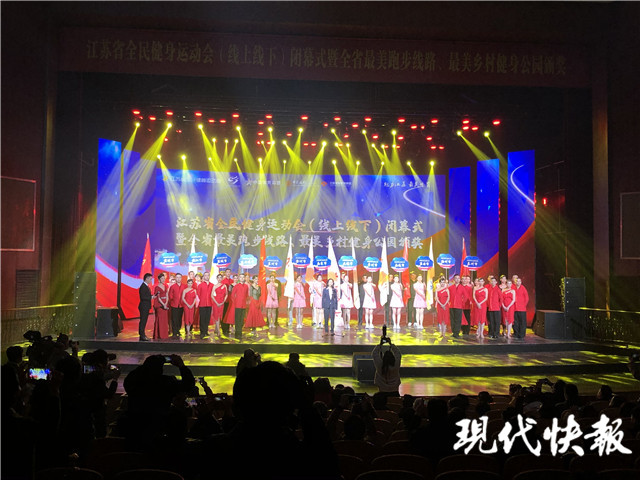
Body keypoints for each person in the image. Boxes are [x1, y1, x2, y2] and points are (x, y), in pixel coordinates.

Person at [372, 329, 402, 396]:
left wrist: (380, 344)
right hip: (394, 393)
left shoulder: (380, 365)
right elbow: (398, 354)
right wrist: (391, 344)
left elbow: (374, 353)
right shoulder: (395, 365)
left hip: (382, 393)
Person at [232, 273, 249, 340]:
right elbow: (232, 296)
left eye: (243, 277)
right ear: (239, 278)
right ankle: (237, 333)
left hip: (243, 305)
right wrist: (236, 302)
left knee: (242, 320)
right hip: (237, 305)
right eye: (241, 277)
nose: (242, 278)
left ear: (244, 278)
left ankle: (240, 332)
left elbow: (246, 295)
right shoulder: (236, 286)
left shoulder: (246, 286)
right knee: (237, 320)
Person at [153, 273, 169, 340]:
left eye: (164, 278)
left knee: (165, 320)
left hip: (165, 303)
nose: (163, 280)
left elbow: (167, 295)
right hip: (160, 305)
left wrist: (166, 303)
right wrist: (163, 304)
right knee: (160, 319)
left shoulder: (165, 286)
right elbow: (158, 298)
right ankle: (159, 334)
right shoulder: (157, 287)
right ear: (159, 279)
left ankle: (164, 334)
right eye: (162, 278)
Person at [169, 273, 185, 338]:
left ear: (181, 278)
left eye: (179, 277)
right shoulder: (172, 286)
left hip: (181, 305)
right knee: (174, 319)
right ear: (175, 278)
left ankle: (178, 330)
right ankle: (174, 332)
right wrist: (173, 301)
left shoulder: (184, 286)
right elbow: (170, 296)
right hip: (174, 305)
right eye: (177, 277)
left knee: (179, 319)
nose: (178, 279)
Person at [197, 271, 213, 339]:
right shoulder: (200, 285)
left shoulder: (212, 285)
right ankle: (202, 332)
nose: (207, 276)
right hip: (202, 304)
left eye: (208, 275)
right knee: (202, 319)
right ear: (203, 277)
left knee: (207, 318)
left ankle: (206, 331)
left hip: (209, 304)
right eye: (205, 275)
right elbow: (198, 294)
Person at [448, 274, 465, 338]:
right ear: (454, 279)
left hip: (459, 306)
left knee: (458, 320)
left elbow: (466, 297)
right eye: (456, 278)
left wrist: (462, 303)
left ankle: (457, 333)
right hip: (452, 305)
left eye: (458, 278)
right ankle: (453, 332)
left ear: (460, 279)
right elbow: (448, 296)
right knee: (452, 319)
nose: (457, 279)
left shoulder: (462, 287)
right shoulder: (450, 287)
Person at [138, 273, 153, 341]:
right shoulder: (143, 286)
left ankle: (142, 334)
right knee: (143, 321)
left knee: (144, 321)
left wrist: (151, 296)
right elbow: (143, 297)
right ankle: (142, 335)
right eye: (150, 279)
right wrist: (151, 297)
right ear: (146, 278)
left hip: (146, 306)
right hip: (144, 306)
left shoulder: (146, 286)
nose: (151, 280)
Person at [220, 269, 234, 336]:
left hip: (231, 300)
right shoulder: (223, 281)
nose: (228, 273)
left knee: (229, 314)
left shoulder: (232, 281)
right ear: (225, 273)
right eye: (227, 272)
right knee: (224, 314)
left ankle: (228, 328)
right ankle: (224, 328)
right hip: (225, 300)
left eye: (229, 272)